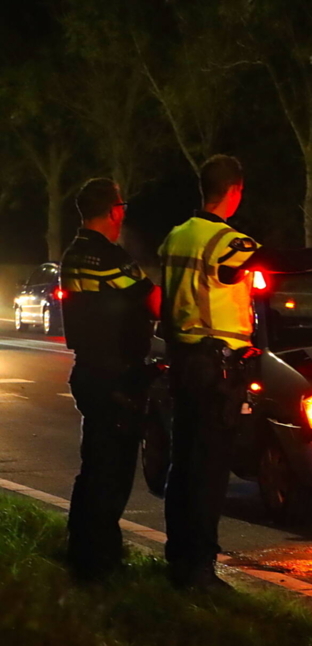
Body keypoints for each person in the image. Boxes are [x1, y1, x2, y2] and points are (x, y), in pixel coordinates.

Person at [159, 154, 312, 590]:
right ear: (235, 191)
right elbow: (286, 259)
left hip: (186, 363)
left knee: (183, 466)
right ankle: (199, 570)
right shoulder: (225, 241)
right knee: (209, 473)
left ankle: (177, 558)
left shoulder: (176, 237)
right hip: (217, 369)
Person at [60, 178, 160, 581]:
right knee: (113, 472)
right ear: (115, 211)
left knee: (92, 467)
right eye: (122, 207)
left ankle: (81, 549)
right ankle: (100, 563)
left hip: (88, 370)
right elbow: (154, 303)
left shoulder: (73, 254)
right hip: (115, 375)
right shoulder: (111, 258)